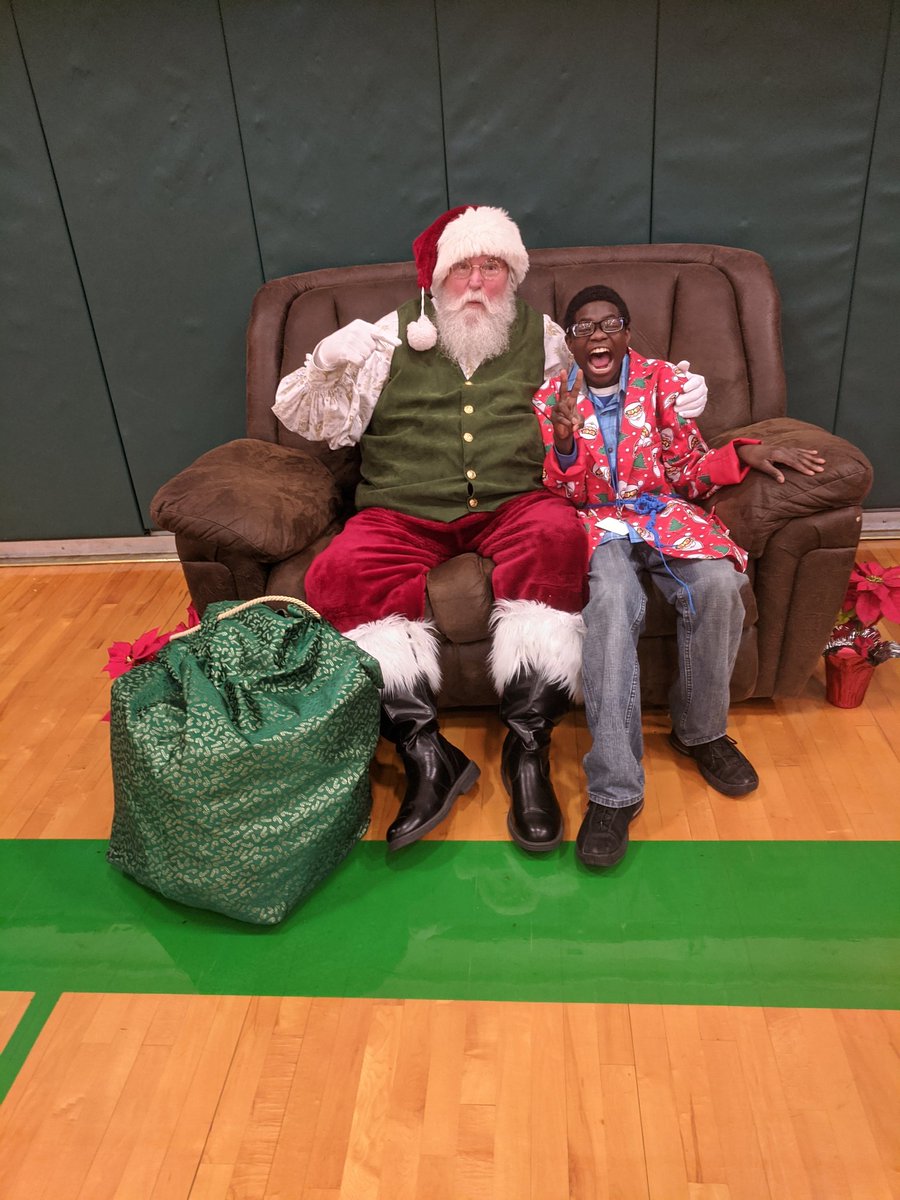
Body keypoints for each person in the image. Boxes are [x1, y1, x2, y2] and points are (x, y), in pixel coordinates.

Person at [273, 207, 709, 853]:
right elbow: (312, 421)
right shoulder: (384, 339)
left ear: (513, 276)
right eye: (464, 268)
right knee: (341, 570)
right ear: (436, 276)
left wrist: (675, 391)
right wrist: (325, 362)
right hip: (400, 505)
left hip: (516, 499)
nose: (477, 282)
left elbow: (609, 375)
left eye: (494, 267)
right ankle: (426, 756)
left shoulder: (548, 337)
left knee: (558, 537)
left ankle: (527, 749)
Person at [533, 284, 826, 868]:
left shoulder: (664, 382)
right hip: (599, 522)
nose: (598, 335)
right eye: (584, 328)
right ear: (569, 342)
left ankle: (700, 733)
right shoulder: (552, 396)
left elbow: (690, 470)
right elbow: (566, 492)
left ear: (625, 330)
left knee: (719, 585)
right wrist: (564, 445)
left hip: (664, 515)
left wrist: (741, 454)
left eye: (609, 323)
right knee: (613, 607)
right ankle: (615, 791)